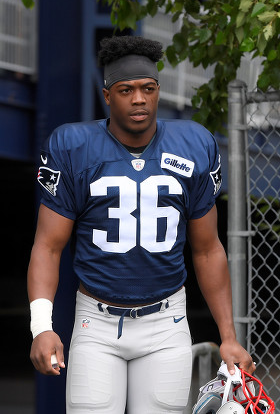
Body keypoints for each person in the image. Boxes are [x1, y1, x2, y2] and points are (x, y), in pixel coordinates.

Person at [28, 35, 255, 414]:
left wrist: (228, 336)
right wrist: (41, 326)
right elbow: (48, 245)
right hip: (95, 324)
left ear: (158, 91)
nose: (139, 99)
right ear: (107, 96)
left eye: (148, 89)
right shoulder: (73, 146)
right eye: (126, 90)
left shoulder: (193, 144)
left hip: (167, 323)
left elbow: (207, 247)